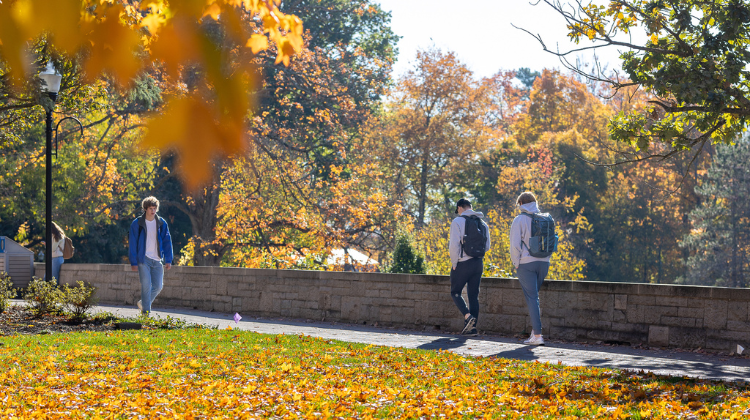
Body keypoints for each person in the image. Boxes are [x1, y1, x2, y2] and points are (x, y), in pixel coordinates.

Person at [510, 191, 551, 346]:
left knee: (532, 298)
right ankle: (535, 332)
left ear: (521, 204)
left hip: (526, 263)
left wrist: (516, 263)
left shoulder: (519, 220)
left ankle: (538, 335)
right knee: (535, 298)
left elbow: (515, 245)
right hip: (544, 262)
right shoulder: (545, 218)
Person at [449, 198, 491, 336]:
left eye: (458, 210)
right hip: (478, 264)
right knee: (474, 296)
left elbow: (454, 244)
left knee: (455, 292)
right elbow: (487, 246)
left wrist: (455, 262)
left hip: (462, 263)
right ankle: (472, 329)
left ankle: (468, 316)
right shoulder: (483, 224)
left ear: (460, 207)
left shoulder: (458, 222)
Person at [128, 196, 173, 316]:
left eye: (154, 208)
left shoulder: (161, 223)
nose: (153, 211)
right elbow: (133, 243)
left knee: (158, 286)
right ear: (145, 209)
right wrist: (133, 262)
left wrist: (168, 259)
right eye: (150, 208)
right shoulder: (137, 223)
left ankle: (143, 303)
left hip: (157, 259)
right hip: (143, 259)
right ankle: (146, 314)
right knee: (146, 286)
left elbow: (167, 241)